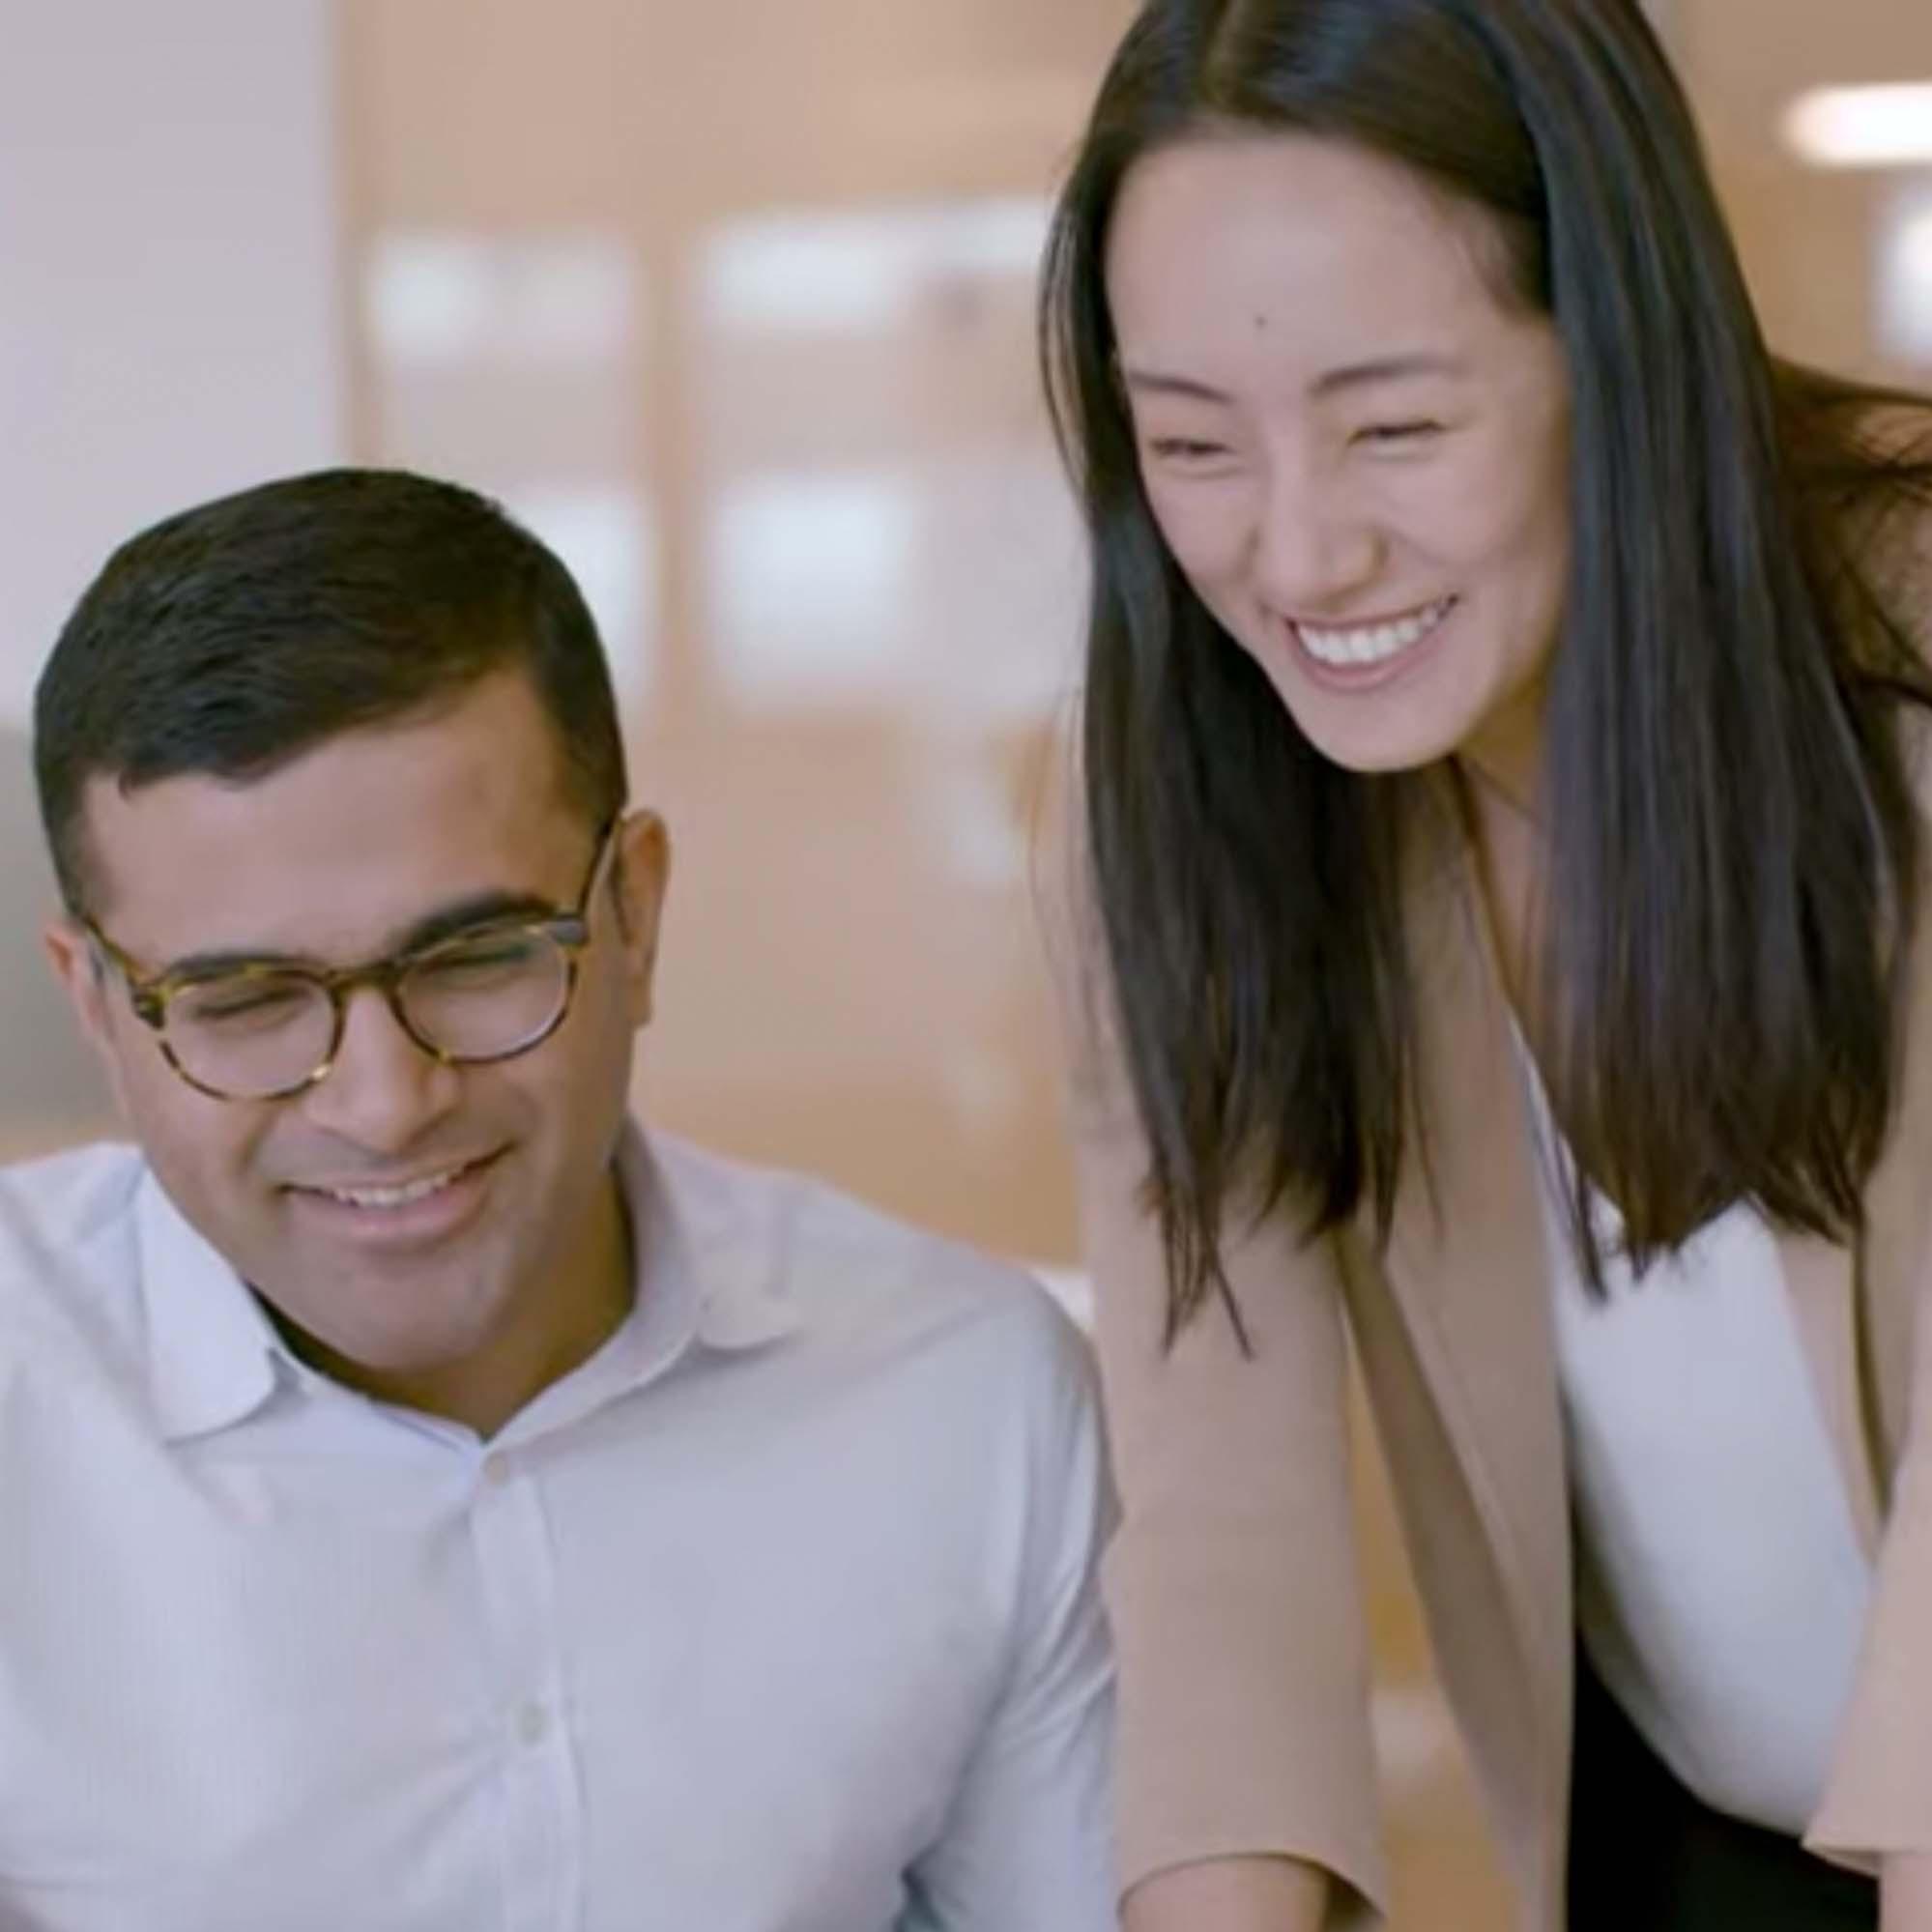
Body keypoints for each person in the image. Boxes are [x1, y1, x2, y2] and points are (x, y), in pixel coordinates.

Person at [1037, 0, 1932, 1927]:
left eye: (1395, 428)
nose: (1298, 557)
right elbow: (1222, 1535)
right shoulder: (1192, 781)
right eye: (1190, 441)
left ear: (1619, 351)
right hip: (1697, 1839)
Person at [2, 467, 1115, 1932]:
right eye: (247, 1000)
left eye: (477, 958)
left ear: (636, 914)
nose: (385, 1101)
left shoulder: (970, 1396)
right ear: (95, 1005)